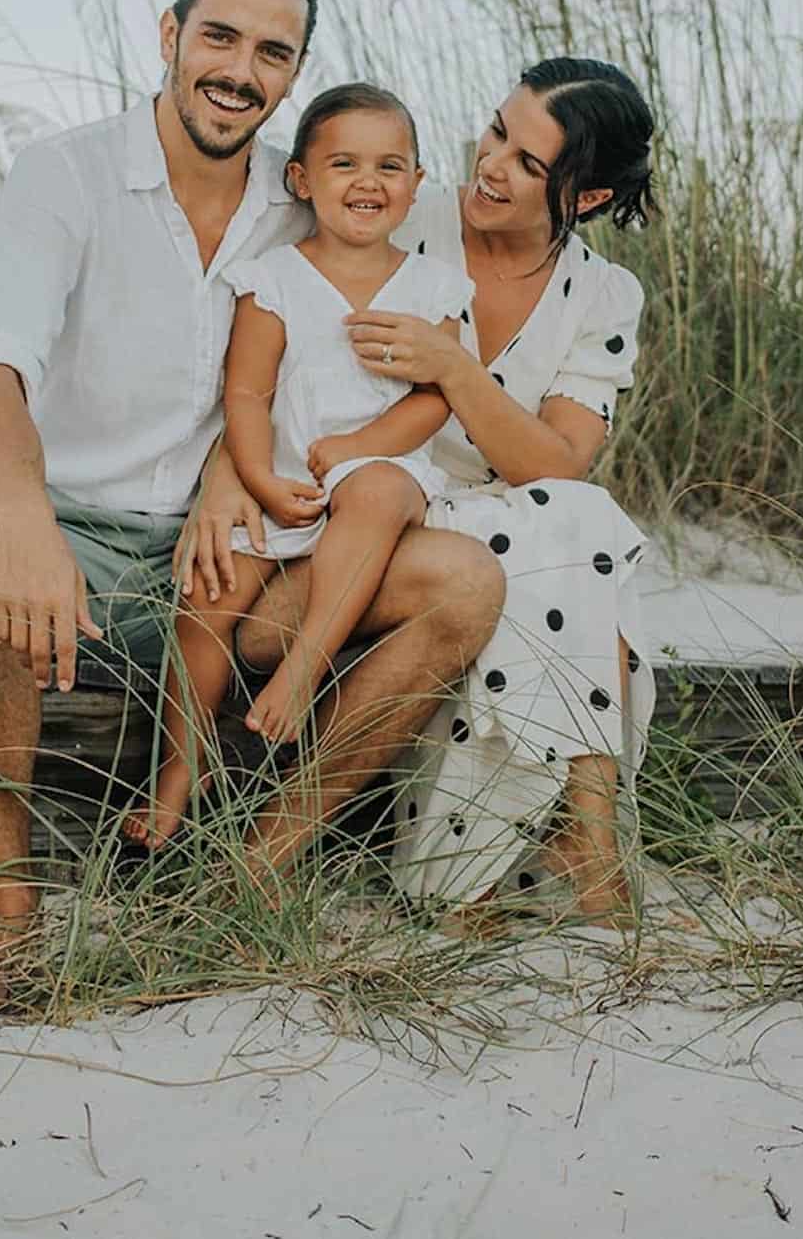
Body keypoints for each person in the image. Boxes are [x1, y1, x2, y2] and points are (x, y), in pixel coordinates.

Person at [0, 0, 504, 989]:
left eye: (271, 52)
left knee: (462, 583)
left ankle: (253, 866)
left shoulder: (307, 209)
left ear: (292, 73)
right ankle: (7, 912)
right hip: (73, 543)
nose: (239, 70)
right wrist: (26, 517)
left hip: (234, 566)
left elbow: (472, 240)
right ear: (171, 36)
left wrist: (230, 479)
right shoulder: (66, 173)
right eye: (220, 36)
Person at [242, 57, 657, 919]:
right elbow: (255, 356)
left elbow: (554, 462)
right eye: (498, 130)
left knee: (559, 521)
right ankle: (580, 835)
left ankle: (515, 853)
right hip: (360, 510)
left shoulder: (605, 294)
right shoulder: (394, 206)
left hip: (505, 523)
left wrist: (453, 371)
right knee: (559, 541)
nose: (492, 164)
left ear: (581, 198)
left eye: (529, 164)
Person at [124, 84, 472, 849]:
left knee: (377, 489)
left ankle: (305, 664)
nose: (368, 181)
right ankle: (182, 767)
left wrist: (360, 445)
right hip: (282, 477)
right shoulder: (273, 280)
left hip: (378, 472)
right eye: (343, 163)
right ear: (301, 179)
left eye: (390, 165)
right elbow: (245, 394)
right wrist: (255, 477)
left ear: (417, 184)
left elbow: (433, 400)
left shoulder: (432, 287)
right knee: (204, 599)